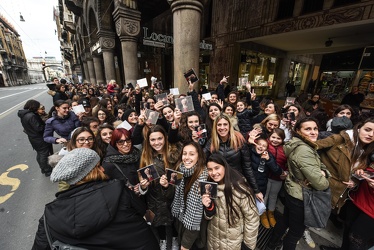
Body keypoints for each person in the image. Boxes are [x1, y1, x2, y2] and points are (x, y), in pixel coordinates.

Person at [31, 148, 158, 250]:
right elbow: (141, 210)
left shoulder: (50, 214)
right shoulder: (118, 190)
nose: (103, 168)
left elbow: (40, 245)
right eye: (98, 166)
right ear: (89, 173)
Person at [266, 117, 330, 250]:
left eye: (315, 128)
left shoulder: (299, 144)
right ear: (298, 131)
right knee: (295, 233)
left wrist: (323, 171)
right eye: (308, 129)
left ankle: (272, 244)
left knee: (285, 220)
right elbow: (321, 184)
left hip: (293, 190)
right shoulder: (304, 151)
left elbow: (321, 165)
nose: (313, 132)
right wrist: (324, 176)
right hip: (300, 196)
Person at [318, 118, 374, 250]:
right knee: (348, 231)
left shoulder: (368, 150)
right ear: (359, 128)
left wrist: (355, 181)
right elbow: (313, 147)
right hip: (353, 199)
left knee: (356, 240)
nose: (371, 134)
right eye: (368, 129)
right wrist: (317, 170)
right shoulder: (341, 140)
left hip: (365, 207)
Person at [203, 153, 259, 250]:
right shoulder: (209, 186)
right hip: (214, 240)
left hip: (233, 243)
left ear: (225, 167)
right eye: (210, 169)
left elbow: (252, 219)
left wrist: (248, 246)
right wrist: (208, 207)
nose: (213, 173)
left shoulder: (240, 189)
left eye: (217, 168)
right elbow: (209, 217)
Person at [160, 141, 209, 250]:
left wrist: (185, 245)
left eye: (191, 154)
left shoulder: (203, 178)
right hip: (180, 223)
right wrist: (166, 186)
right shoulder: (180, 171)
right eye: (184, 153)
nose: (187, 157)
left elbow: (196, 215)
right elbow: (171, 196)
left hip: (194, 233)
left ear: (199, 156)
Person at [140, 125, 182, 250]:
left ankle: (175, 240)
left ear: (165, 138)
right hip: (153, 199)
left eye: (160, 138)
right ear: (148, 141)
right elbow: (142, 183)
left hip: (173, 197)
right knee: (157, 224)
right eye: (153, 140)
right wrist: (143, 187)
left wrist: (167, 186)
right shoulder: (145, 156)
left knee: (174, 222)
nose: (157, 143)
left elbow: (179, 181)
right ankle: (162, 241)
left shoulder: (175, 155)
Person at [204, 113, 262, 201]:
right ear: (215, 127)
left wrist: (256, 190)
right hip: (219, 183)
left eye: (225, 124)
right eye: (219, 125)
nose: (222, 127)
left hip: (236, 182)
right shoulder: (211, 143)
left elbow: (247, 167)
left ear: (230, 126)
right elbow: (201, 160)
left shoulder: (239, 140)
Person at [18, 100, 53, 176]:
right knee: (44, 154)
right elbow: (38, 128)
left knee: (40, 154)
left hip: (33, 138)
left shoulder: (24, 115)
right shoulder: (31, 116)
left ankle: (43, 168)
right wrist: (45, 126)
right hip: (38, 138)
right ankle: (47, 170)